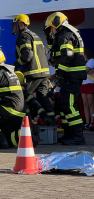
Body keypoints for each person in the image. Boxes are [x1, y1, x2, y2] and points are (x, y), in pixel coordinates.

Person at [44, 12, 87, 145]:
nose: (51, 30)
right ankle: (69, 134)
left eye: (51, 27)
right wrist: (49, 38)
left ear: (57, 24)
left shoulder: (65, 35)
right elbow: (56, 51)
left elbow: (66, 56)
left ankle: (77, 135)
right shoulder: (65, 34)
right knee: (64, 106)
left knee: (70, 107)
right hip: (69, 76)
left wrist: (59, 74)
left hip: (70, 76)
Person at [11, 14, 55, 123]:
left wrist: (14, 66)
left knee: (22, 97)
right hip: (44, 73)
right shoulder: (35, 35)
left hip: (32, 74)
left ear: (21, 24)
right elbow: (45, 52)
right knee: (44, 99)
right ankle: (51, 123)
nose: (14, 27)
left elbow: (27, 55)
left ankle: (26, 124)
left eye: (15, 24)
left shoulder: (23, 36)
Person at [80, 48, 94, 130]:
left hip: (90, 83)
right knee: (85, 104)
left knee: (90, 104)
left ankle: (92, 122)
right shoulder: (84, 63)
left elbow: (85, 71)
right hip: (83, 83)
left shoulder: (91, 60)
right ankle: (87, 122)